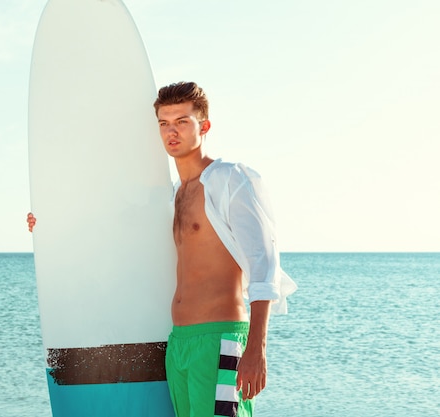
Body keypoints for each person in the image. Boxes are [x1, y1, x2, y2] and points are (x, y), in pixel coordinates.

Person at [28, 81, 296, 417]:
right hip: (178, 343)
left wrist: (256, 348)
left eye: (182, 122)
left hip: (219, 338)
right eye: (164, 123)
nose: (172, 132)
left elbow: (264, 264)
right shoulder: (171, 196)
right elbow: (113, 236)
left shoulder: (230, 180)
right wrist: (49, 229)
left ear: (204, 126)